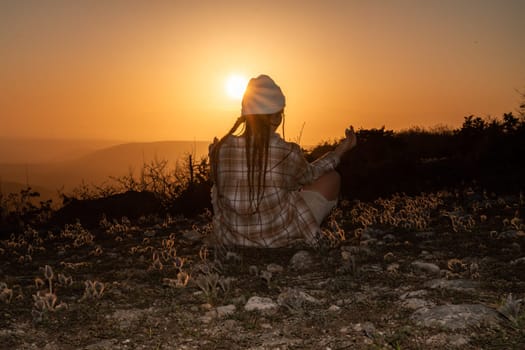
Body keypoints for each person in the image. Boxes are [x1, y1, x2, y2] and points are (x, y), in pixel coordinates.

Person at [209, 74, 356, 248]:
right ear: (277, 117)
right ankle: (305, 235)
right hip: (280, 237)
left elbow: (218, 190)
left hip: (232, 238)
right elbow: (311, 175)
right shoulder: (288, 152)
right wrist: (340, 150)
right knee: (331, 178)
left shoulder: (221, 148)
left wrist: (214, 154)